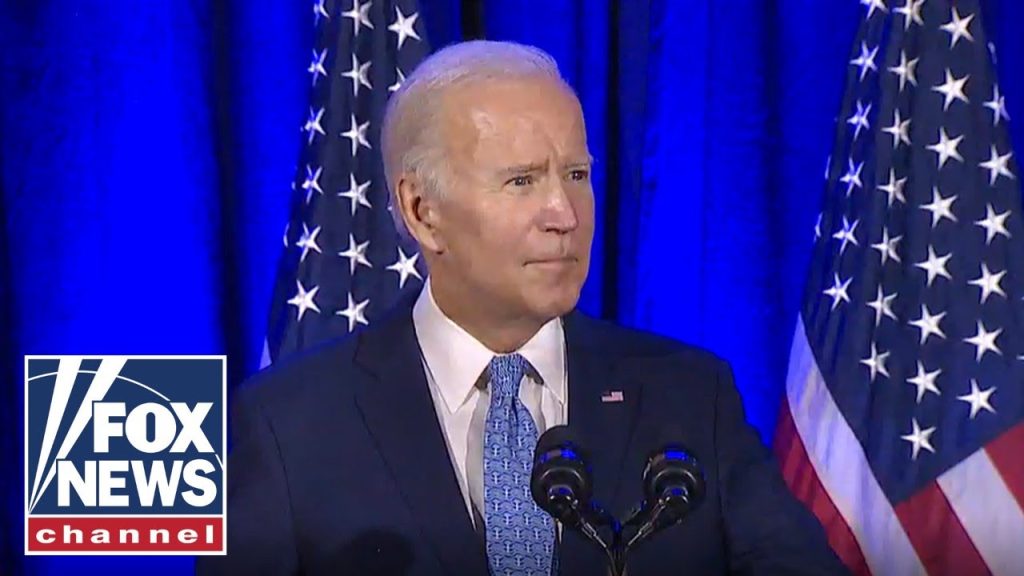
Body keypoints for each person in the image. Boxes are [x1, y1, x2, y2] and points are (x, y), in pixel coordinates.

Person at [196, 41, 849, 576]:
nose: (564, 215)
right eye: (521, 181)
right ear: (424, 212)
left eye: (576, 175)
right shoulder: (284, 427)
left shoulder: (690, 396)